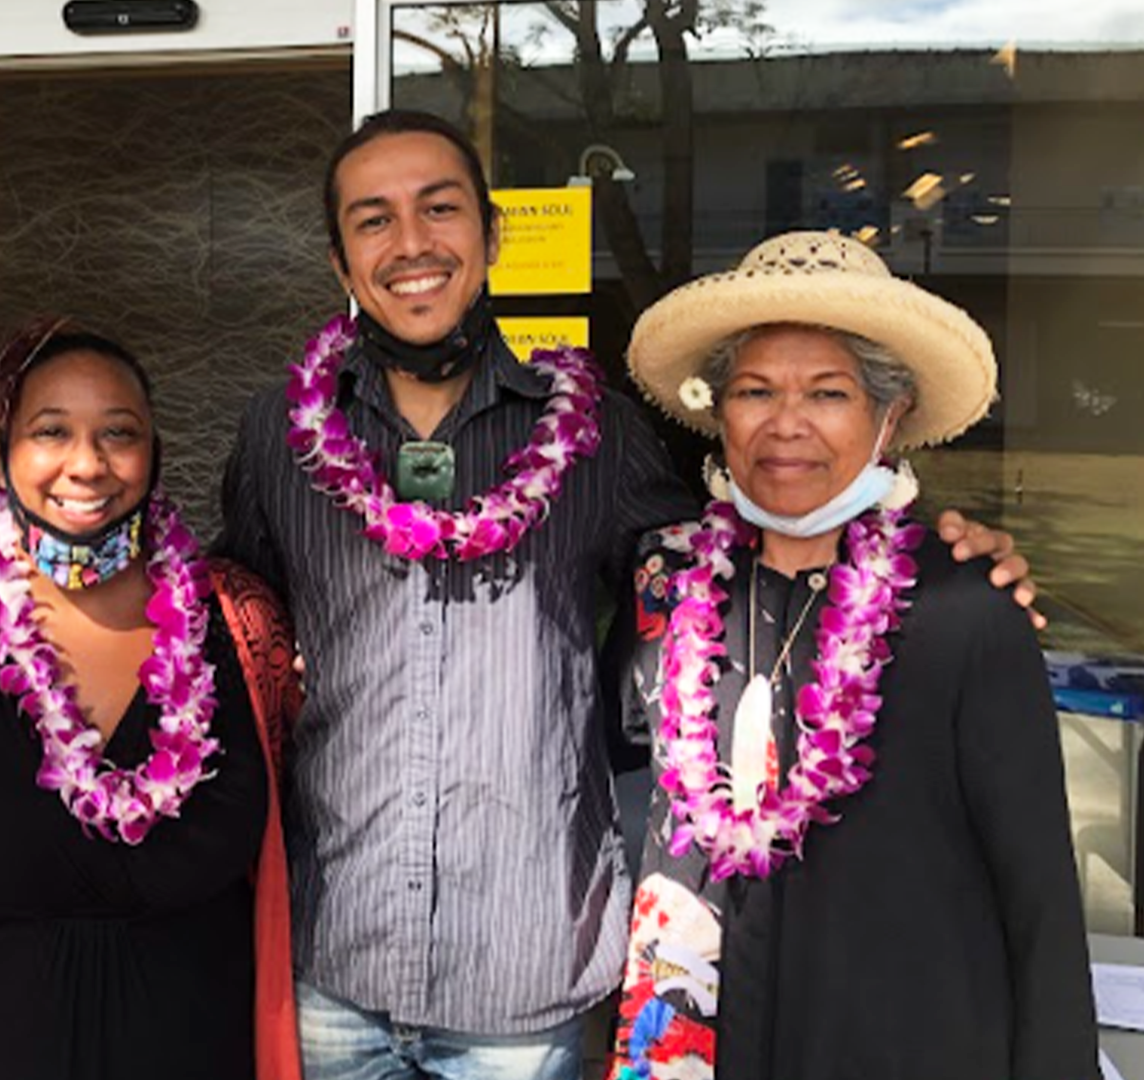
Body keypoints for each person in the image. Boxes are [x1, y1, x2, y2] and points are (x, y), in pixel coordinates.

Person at [217, 110, 1036, 1079]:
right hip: (333, 965)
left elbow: (767, 528)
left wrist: (928, 545)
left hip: (525, 986)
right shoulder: (282, 435)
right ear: (340, 259)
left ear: (489, 233)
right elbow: (233, 626)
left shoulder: (596, 434)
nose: (411, 245)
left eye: (439, 209)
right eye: (373, 220)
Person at [611, 230, 1096, 1079]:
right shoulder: (665, 585)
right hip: (689, 1045)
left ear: (889, 414)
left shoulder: (963, 608)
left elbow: (1040, 897)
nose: (785, 424)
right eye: (755, 390)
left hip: (894, 1042)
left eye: (828, 393)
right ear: (719, 411)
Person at [0, 319, 303, 1080]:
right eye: (50, 432)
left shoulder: (243, 624)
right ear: (2, 454)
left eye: (118, 433)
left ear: (154, 453)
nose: (86, 465)